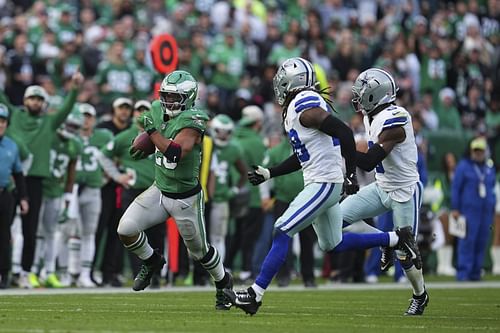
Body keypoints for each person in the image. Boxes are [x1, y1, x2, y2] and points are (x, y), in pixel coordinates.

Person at [224, 58, 420, 315]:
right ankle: (394, 239)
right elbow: (303, 154)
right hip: (321, 180)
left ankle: (254, 295)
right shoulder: (298, 108)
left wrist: (350, 176)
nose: (278, 88)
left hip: (324, 183)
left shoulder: (305, 106)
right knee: (331, 243)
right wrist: (271, 172)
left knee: (282, 230)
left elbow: (345, 133)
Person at [118, 70, 233, 310]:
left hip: (185, 198)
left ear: (189, 97)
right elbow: (155, 139)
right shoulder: (156, 109)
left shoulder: (195, 119)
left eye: (174, 97)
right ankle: (152, 260)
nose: (168, 102)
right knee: (126, 229)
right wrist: (144, 143)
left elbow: (175, 152)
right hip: (160, 190)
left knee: (199, 252)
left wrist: (150, 132)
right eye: (166, 96)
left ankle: (223, 282)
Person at [340, 68, 428, 315]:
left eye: (361, 93)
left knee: (407, 253)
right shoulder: (372, 116)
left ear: (374, 95)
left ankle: (420, 295)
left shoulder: (396, 119)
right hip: (381, 186)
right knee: (336, 219)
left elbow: (368, 161)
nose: (357, 98)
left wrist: (340, 148)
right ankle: (385, 240)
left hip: (404, 191)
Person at [0, 70, 83, 288]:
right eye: (31, 98)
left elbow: (65, 111)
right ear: (25, 100)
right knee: (6, 228)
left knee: (30, 229)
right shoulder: (14, 116)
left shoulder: (49, 122)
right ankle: (10, 270)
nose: (35, 102)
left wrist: (74, 89)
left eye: (39, 99)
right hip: (10, 178)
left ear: (44, 103)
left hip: (35, 181)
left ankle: (25, 272)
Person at [33, 111, 83, 288]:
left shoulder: (74, 145)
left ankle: (48, 271)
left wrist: (67, 200)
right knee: (34, 232)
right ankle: (30, 271)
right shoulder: (48, 137)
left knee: (51, 233)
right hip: (39, 188)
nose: (71, 129)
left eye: (75, 127)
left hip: (55, 191)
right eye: (69, 125)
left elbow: (71, 175)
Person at [451, 137, 496, 281]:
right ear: (471, 151)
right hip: (468, 211)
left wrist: (493, 205)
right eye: (476, 150)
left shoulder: (489, 168)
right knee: (467, 242)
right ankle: (464, 273)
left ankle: (476, 272)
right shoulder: (463, 166)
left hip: (486, 211)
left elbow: (492, 188)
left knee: (481, 241)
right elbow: (456, 188)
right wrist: (455, 208)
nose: (478, 153)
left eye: (480, 151)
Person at [207, 114, 247, 263]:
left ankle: (218, 271)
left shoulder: (234, 148)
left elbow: (244, 172)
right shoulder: (205, 144)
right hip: (201, 198)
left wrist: (234, 190)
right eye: (219, 131)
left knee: (218, 237)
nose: (223, 136)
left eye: (226, 132)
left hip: (220, 198)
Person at [0, 104, 28, 289]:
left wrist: (23, 198)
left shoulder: (11, 145)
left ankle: (4, 274)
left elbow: (18, 173)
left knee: (4, 236)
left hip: (4, 194)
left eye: (2, 121)